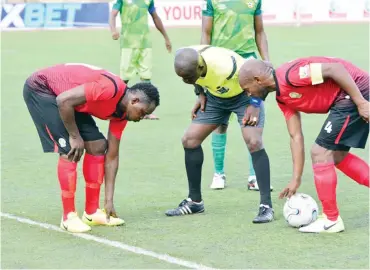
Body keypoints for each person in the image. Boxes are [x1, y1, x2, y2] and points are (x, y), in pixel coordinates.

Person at [23, 63, 160, 233]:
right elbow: (63, 100)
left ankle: (92, 212)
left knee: (98, 146)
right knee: (70, 151)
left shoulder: (122, 115)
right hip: (43, 89)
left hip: (72, 102)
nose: (143, 117)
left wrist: (108, 200)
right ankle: (68, 217)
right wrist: (75, 136)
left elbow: (112, 156)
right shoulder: (109, 89)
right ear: (135, 100)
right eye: (143, 112)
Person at [239, 57, 369, 233]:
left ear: (258, 80)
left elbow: (335, 69)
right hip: (347, 98)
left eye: (247, 89)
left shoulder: (290, 76)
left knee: (320, 152)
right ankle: (331, 218)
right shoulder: (282, 99)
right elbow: (295, 136)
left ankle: (331, 219)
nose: (248, 94)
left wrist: (361, 102)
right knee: (336, 155)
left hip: (355, 91)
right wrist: (296, 179)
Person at [166, 46, 274, 223]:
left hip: (245, 97)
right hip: (216, 98)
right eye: (182, 77)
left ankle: (266, 206)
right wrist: (199, 93)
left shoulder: (227, 66)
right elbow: (194, 77)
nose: (185, 80)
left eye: (188, 77)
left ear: (200, 68)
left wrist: (254, 104)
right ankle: (195, 201)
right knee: (190, 140)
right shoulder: (189, 58)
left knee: (254, 142)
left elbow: (262, 76)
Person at [201, 0, 272, 191]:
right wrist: (203, 64)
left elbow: (259, 31)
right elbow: (206, 34)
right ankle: (219, 174)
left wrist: (266, 61)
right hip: (219, 65)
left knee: (252, 121)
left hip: (248, 66)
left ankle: (254, 176)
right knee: (220, 124)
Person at [109, 0, 171, 120]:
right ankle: (115, 107)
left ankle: (146, 111)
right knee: (124, 78)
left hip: (145, 43)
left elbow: (155, 17)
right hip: (128, 44)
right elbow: (113, 14)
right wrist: (113, 30)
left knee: (146, 76)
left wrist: (166, 37)